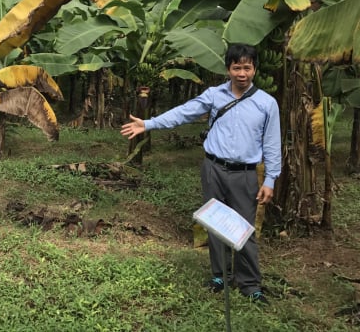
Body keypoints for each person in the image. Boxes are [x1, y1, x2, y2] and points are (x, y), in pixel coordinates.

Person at [120, 43, 281, 305]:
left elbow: (272, 143)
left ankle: (250, 284)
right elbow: (183, 113)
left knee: (245, 229)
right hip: (213, 168)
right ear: (228, 69)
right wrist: (148, 123)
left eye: (247, 67)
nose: (242, 73)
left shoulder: (267, 104)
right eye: (236, 67)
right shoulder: (214, 95)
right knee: (215, 223)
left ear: (254, 69)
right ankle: (220, 275)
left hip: (245, 173)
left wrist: (271, 178)